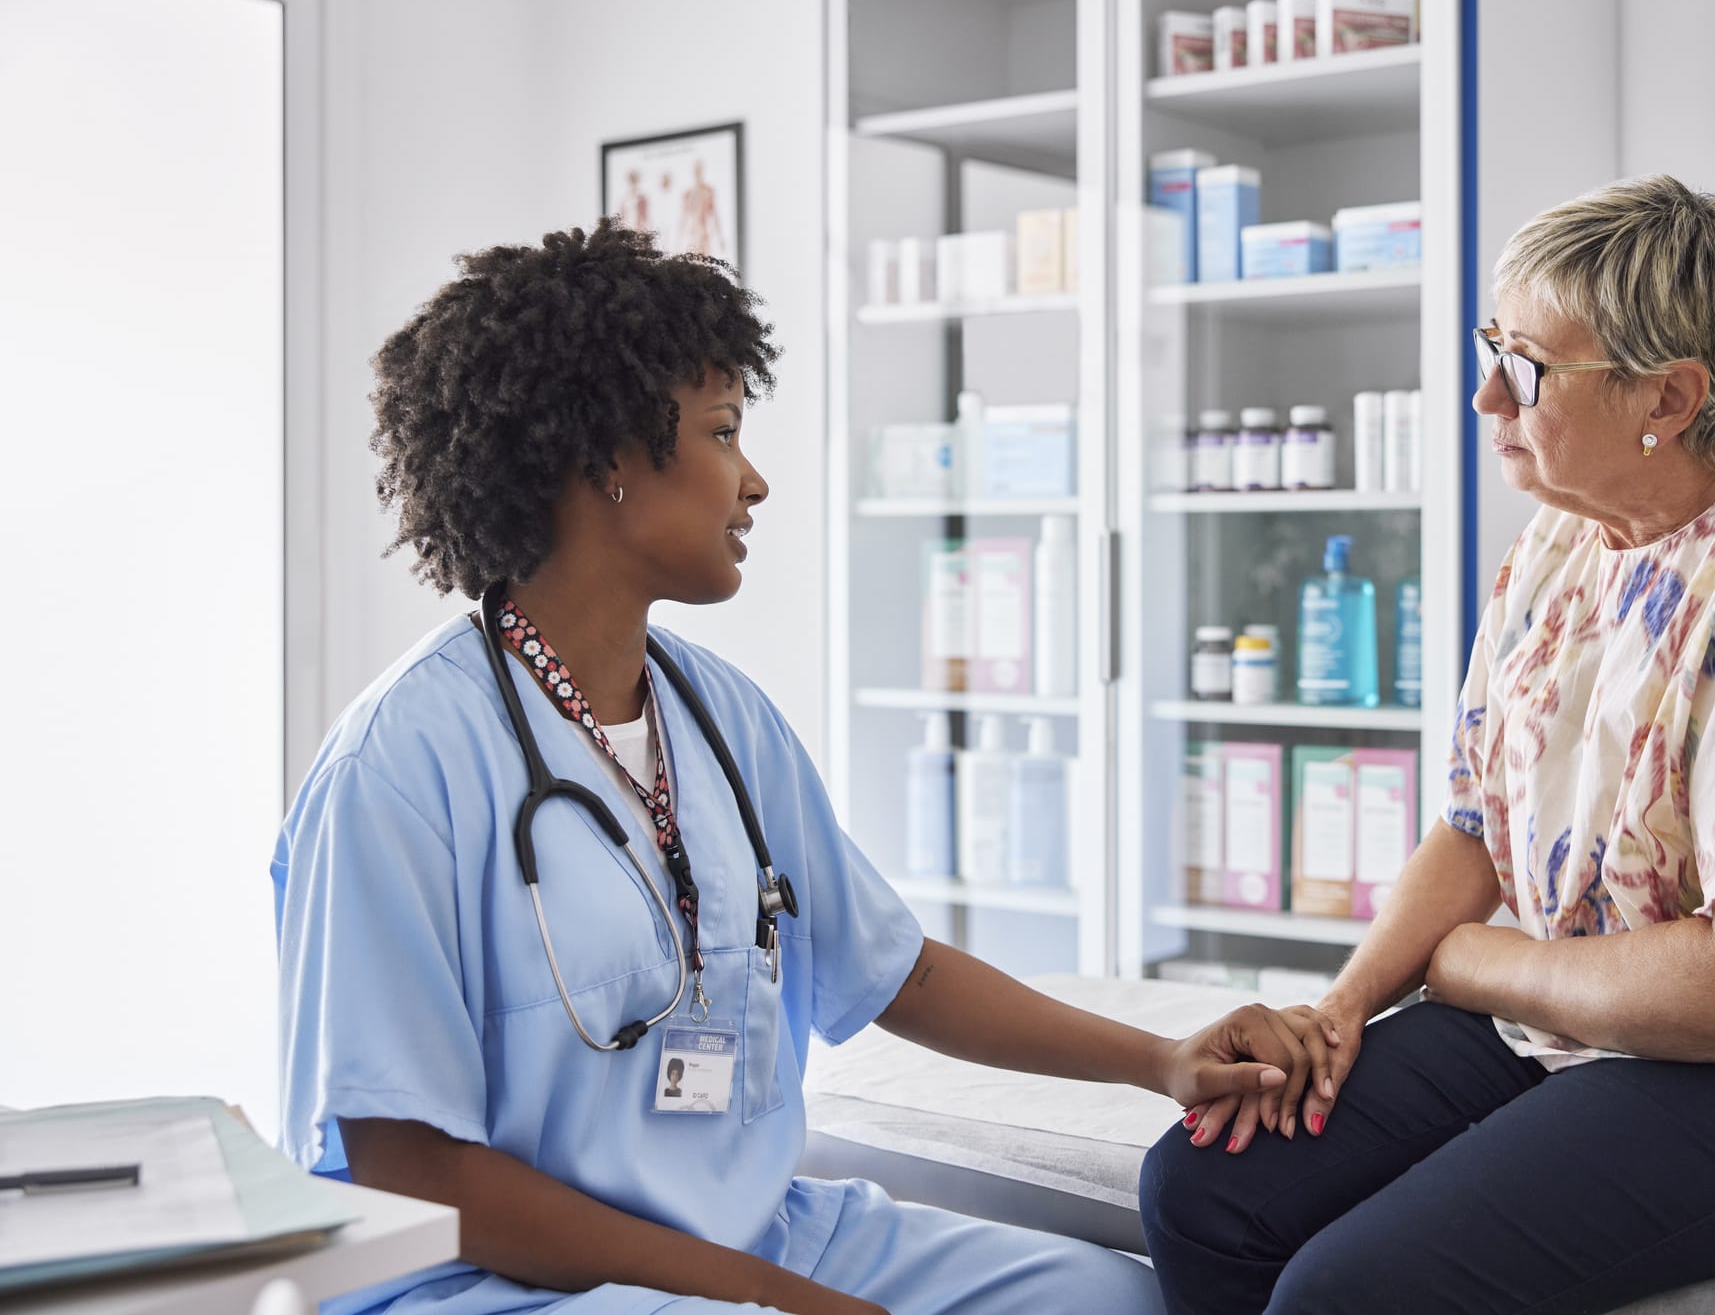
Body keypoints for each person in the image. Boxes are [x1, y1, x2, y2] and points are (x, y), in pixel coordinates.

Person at [273, 220, 1292, 1315]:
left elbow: (895, 971)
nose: (751, 482)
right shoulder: (400, 767)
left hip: (763, 1237)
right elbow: (406, 1168)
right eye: (721, 433)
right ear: (606, 460)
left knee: (1114, 1303)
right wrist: (763, 1297)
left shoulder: (720, 717)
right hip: (500, 1285)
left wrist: (1161, 1060)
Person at [1138, 175, 1715, 1314]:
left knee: (1354, 1290)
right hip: (1590, 1013)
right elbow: (1473, 825)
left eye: (1526, 370)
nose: (1480, 395)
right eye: (1490, 346)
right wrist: (1343, 1008)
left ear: (1668, 394)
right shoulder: (1560, 543)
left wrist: (1466, 966)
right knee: (1204, 1186)